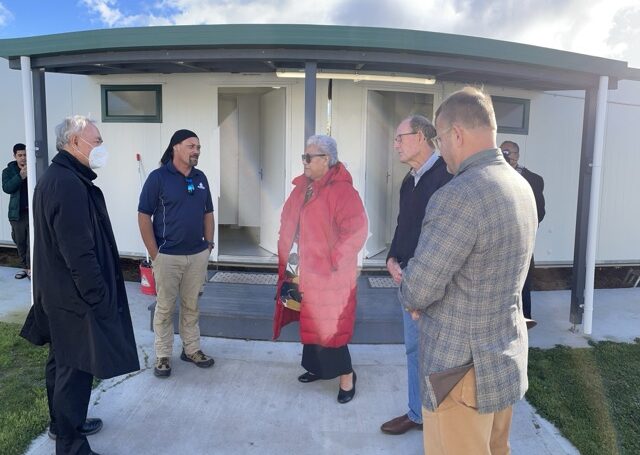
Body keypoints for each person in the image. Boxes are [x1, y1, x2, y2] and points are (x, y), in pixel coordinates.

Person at [400, 88, 537, 455]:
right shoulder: (520, 186)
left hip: (459, 373)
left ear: (456, 134)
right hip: (502, 361)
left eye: (440, 139)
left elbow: (419, 289)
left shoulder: (459, 194)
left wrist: (411, 292)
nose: (441, 148)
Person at [20, 115, 140, 455]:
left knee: (62, 364)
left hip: (59, 296)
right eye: (97, 141)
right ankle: (72, 446)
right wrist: (98, 296)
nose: (101, 148)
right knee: (74, 370)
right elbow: (78, 251)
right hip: (73, 299)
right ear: (74, 143)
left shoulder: (59, 178)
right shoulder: (68, 184)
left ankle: (63, 425)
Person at [273, 134, 367, 404]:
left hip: (330, 275)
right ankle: (316, 367)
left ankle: (347, 376)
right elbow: (287, 217)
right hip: (301, 269)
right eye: (304, 156)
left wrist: (333, 261)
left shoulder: (342, 191)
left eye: (308, 157)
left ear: (326, 160)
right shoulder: (304, 187)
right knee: (310, 322)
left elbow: (356, 231)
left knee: (331, 328)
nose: (303, 161)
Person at [381, 116, 452, 435]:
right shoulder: (409, 181)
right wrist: (392, 258)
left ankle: (441, 419)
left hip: (434, 284)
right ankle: (417, 414)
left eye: (400, 138)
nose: (395, 144)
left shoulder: (447, 177)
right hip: (407, 278)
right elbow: (403, 225)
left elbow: (444, 241)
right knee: (414, 349)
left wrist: (421, 284)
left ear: (421, 137)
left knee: (440, 355)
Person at [138, 129, 215, 378]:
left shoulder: (201, 177)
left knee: (191, 305)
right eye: (191, 146)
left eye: (199, 147)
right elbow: (143, 215)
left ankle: (191, 349)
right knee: (165, 307)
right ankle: (162, 355)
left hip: (197, 254)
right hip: (167, 256)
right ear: (176, 148)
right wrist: (154, 252)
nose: (196, 151)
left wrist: (209, 245)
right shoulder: (158, 178)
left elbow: (208, 213)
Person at [501, 140, 545, 319]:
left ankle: (524, 320)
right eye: (502, 152)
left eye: (509, 153)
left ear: (517, 156)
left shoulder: (533, 179)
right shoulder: (489, 175)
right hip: (496, 242)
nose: (506, 156)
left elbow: (539, 213)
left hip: (521, 241)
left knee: (522, 283)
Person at [2, 143, 30, 279]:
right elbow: (7, 188)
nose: (23, 158)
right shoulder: (8, 171)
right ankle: (24, 268)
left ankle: (31, 268)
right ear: (15, 156)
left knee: (32, 241)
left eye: (25, 155)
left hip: (32, 212)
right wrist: (20, 176)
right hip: (17, 213)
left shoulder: (35, 167)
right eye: (20, 155)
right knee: (20, 241)